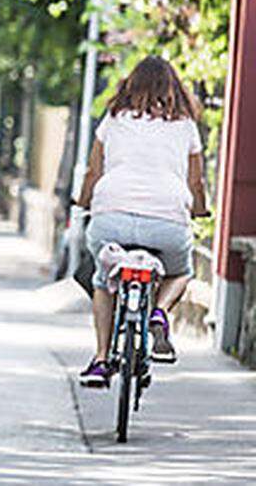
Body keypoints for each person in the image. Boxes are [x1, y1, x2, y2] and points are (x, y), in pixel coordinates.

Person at [75, 56, 209, 387]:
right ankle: (159, 311)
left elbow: (94, 170)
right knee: (181, 272)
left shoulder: (114, 119)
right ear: (174, 89)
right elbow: (197, 183)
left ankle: (101, 359)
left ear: (130, 85)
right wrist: (200, 209)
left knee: (104, 280)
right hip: (167, 219)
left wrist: (83, 200)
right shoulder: (186, 126)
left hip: (111, 216)